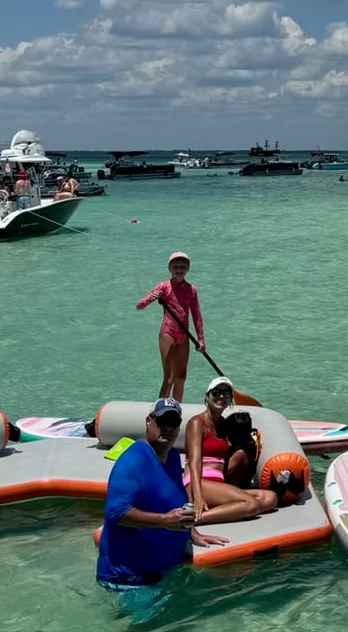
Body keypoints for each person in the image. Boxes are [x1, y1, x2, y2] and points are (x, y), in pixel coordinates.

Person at [96, 399, 227, 588]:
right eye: (162, 421)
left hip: (164, 573)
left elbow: (174, 501)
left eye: (173, 423)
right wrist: (165, 520)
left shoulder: (172, 457)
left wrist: (191, 531)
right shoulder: (134, 460)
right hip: (129, 581)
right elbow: (116, 513)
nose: (168, 428)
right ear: (149, 422)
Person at [183, 378, 279, 522]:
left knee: (270, 498)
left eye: (226, 393)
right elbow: (194, 462)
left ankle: (220, 510)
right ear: (206, 396)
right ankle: (196, 519)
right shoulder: (197, 423)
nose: (221, 397)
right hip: (198, 482)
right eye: (216, 393)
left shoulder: (223, 425)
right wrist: (197, 496)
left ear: (230, 399)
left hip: (218, 485)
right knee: (251, 504)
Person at [135, 252, 204, 402]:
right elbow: (139, 306)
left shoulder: (191, 290)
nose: (179, 269)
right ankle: (160, 412)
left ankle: (177, 410)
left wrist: (201, 339)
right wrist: (149, 299)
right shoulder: (164, 286)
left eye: (183, 266)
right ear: (169, 268)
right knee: (170, 378)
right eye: (176, 266)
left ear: (188, 268)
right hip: (168, 333)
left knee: (181, 377)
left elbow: (196, 315)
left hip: (184, 335)